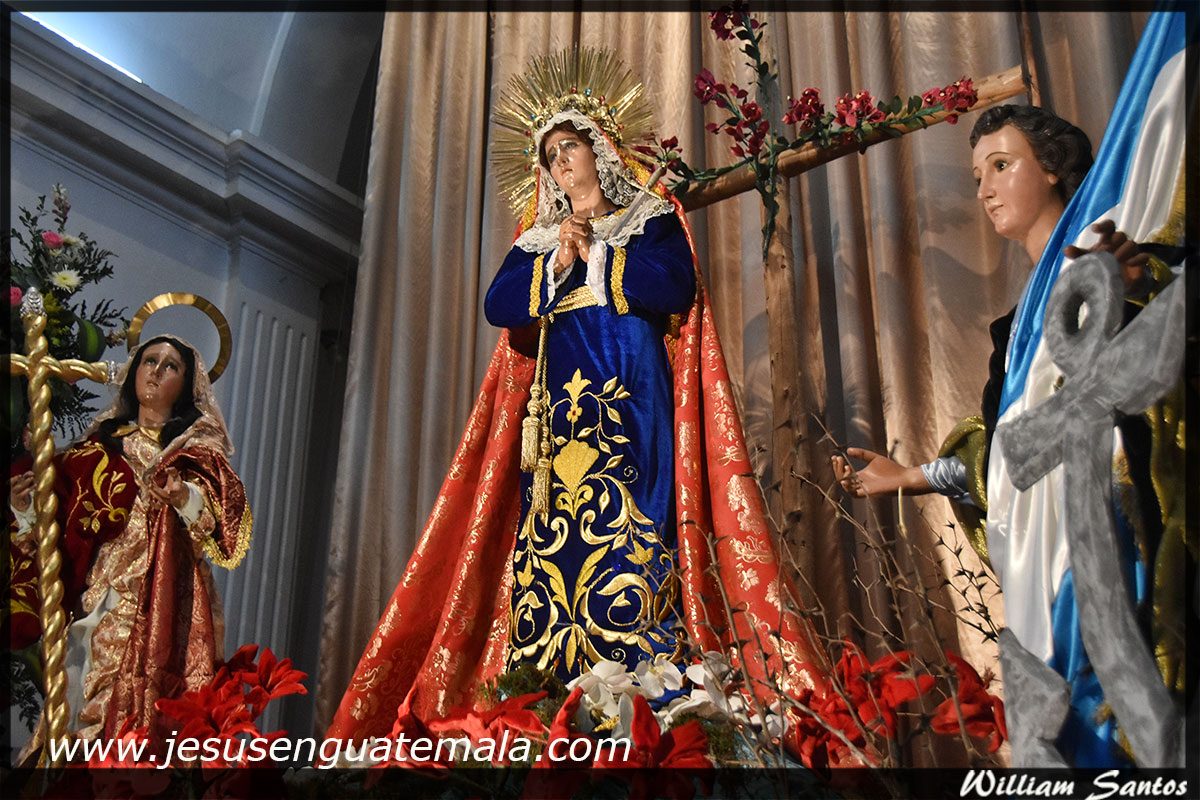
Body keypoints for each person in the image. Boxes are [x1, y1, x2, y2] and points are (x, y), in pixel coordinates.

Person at [327, 48, 827, 743]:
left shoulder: (649, 217)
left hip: (631, 401)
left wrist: (601, 254)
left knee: (632, 529)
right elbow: (499, 304)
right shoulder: (538, 239)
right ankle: (546, 703)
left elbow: (674, 285)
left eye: (569, 146)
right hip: (558, 417)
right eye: (549, 155)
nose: (560, 162)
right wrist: (558, 260)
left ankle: (647, 702)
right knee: (552, 536)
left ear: (600, 148)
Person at [831, 103, 1184, 766]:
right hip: (1046, 568)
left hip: (1118, 542)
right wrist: (912, 476)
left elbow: (1161, 358)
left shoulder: (1119, 259)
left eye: (1001, 165)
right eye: (976, 177)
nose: (985, 190)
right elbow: (1008, 450)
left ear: (1052, 169)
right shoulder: (1017, 330)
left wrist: (1136, 292)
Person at [9, 335, 251, 742]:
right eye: (149, 361)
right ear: (133, 372)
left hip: (165, 598)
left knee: (149, 710)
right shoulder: (100, 446)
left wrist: (182, 496)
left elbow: (221, 527)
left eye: (170, 366)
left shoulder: (194, 454)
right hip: (103, 590)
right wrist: (26, 509)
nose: (155, 372)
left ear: (187, 385)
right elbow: (59, 522)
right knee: (80, 687)